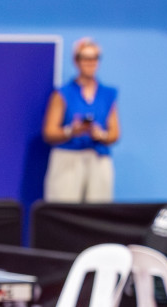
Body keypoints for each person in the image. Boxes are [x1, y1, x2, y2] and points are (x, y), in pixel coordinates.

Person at [42, 38, 120, 203]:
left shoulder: (107, 93)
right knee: (63, 209)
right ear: (76, 61)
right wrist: (72, 131)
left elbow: (114, 133)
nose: (90, 63)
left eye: (94, 58)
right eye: (85, 58)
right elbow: (49, 132)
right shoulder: (63, 93)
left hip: (97, 158)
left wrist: (101, 135)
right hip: (68, 158)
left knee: (99, 212)